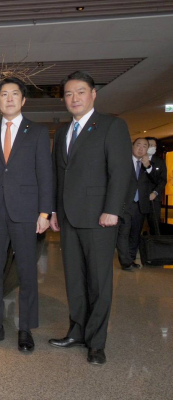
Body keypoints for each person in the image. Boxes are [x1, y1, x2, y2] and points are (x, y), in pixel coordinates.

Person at [49, 71, 131, 365]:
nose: (74, 98)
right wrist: (54, 211)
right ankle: (77, 332)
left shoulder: (112, 125)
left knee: (98, 282)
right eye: (69, 94)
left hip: (99, 217)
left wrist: (112, 209)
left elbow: (120, 171)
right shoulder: (62, 133)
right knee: (74, 280)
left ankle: (96, 342)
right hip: (69, 217)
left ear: (93, 94)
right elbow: (59, 175)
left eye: (80, 92)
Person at [0, 77, 52, 352]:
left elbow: (45, 173)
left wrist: (45, 212)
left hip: (26, 211)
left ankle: (25, 329)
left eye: (14, 94)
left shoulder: (38, 132)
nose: (9, 99)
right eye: (4, 95)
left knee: (27, 272)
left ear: (23, 100)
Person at [116, 138, 157, 271]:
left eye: (144, 146)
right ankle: (125, 262)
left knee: (135, 234)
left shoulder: (149, 165)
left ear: (147, 149)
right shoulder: (124, 161)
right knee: (124, 233)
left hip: (141, 205)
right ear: (132, 146)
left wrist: (148, 166)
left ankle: (131, 258)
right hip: (125, 203)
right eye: (138, 145)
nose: (141, 148)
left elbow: (156, 181)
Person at [145, 137, 167, 234]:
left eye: (154, 145)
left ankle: (154, 242)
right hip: (138, 198)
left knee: (154, 225)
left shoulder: (160, 161)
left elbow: (163, 180)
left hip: (154, 199)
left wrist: (155, 192)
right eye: (150, 145)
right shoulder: (137, 159)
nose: (153, 147)